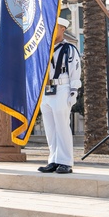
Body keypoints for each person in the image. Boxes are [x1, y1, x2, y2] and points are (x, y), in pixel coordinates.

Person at [39, 18, 80, 174]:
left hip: (62, 87)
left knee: (62, 126)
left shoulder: (69, 49)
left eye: (55, 27)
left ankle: (65, 161)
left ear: (63, 29)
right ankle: (54, 159)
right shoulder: (44, 48)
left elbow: (75, 71)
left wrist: (74, 91)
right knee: (50, 128)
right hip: (47, 90)